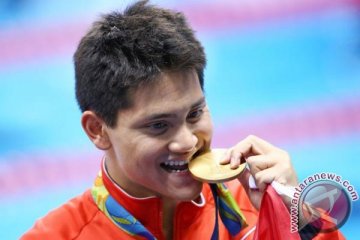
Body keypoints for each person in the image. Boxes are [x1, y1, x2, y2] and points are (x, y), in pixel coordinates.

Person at [21, 1, 345, 239]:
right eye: (158, 125)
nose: (188, 141)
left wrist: (296, 219)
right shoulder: (59, 235)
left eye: (194, 114)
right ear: (98, 130)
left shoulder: (255, 201)